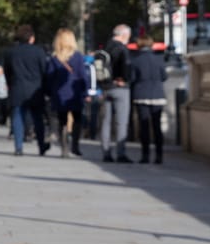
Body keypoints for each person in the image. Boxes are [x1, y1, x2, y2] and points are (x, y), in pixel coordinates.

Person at [45, 29, 90, 157]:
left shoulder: (54, 58)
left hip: (59, 94)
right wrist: (86, 91)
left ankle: (64, 147)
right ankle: (75, 144)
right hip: (75, 93)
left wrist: (49, 92)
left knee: (62, 120)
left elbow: (49, 77)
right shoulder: (78, 57)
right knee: (77, 119)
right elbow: (83, 76)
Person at [3, 25, 47, 156]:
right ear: (31, 38)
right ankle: (41, 145)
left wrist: (10, 84)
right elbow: (44, 70)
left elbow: (7, 71)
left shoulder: (11, 52)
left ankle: (18, 147)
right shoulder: (39, 51)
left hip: (17, 87)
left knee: (17, 117)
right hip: (35, 89)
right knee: (38, 118)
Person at [128, 33, 169, 164]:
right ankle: (159, 155)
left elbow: (132, 79)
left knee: (144, 126)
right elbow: (164, 77)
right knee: (157, 127)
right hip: (157, 95)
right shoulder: (159, 59)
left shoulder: (136, 61)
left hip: (141, 95)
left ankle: (145, 155)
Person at [98, 24, 134, 163]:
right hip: (120, 88)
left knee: (105, 121)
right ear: (124, 35)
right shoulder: (122, 48)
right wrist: (123, 79)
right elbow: (126, 66)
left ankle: (106, 152)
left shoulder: (105, 48)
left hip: (105, 87)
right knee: (121, 122)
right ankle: (120, 153)